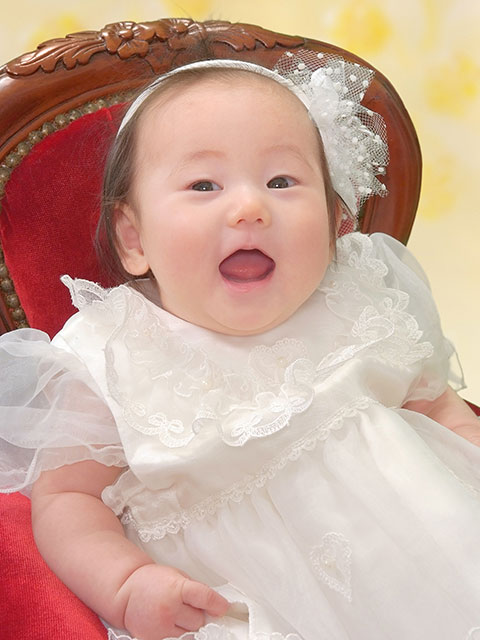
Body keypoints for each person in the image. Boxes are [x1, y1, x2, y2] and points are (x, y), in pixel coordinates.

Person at [1, 49, 479, 640]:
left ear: (335, 220)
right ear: (134, 239)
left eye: (282, 181)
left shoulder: (355, 298)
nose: (250, 207)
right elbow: (69, 500)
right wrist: (126, 585)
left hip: (432, 554)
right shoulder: (115, 353)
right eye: (203, 185)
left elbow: (436, 403)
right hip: (243, 606)